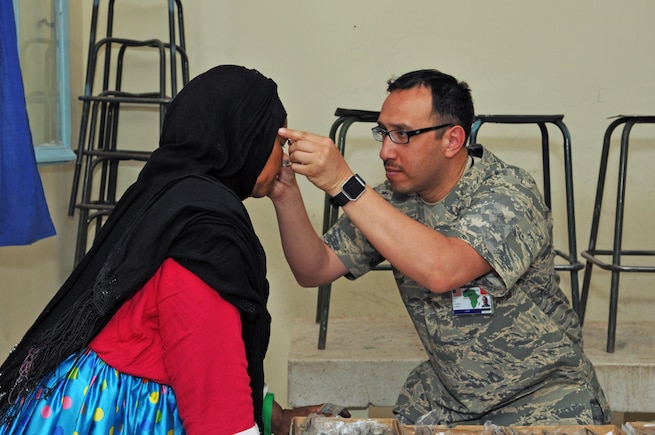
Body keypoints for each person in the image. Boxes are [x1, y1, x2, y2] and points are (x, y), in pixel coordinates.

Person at [0, 65, 348, 435]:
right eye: (277, 142)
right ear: (245, 141)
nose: (284, 156)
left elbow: (193, 357)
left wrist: (273, 417)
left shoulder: (167, 199)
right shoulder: (206, 238)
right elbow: (218, 418)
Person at [270, 69, 611, 426]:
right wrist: (286, 193)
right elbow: (315, 268)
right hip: (452, 404)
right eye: (383, 133)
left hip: (545, 401)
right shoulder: (392, 200)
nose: (386, 150)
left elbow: (443, 269)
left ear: (452, 140)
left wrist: (343, 182)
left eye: (403, 134)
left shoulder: (509, 193)